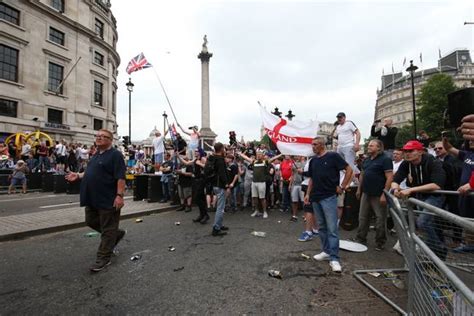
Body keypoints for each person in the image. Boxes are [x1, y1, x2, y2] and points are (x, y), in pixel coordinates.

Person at [65, 129, 126, 272]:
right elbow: (91, 172)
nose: (99, 138)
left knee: (107, 228)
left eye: (103, 137)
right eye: (97, 136)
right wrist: (78, 176)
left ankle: (103, 258)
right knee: (91, 221)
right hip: (92, 198)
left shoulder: (115, 155)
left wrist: (119, 196)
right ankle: (115, 234)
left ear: (110, 140)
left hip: (108, 199)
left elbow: (120, 177)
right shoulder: (96, 154)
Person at [304, 137, 353, 273]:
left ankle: (334, 258)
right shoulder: (313, 160)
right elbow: (312, 179)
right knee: (322, 227)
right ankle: (326, 251)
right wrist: (308, 194)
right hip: (315, 197)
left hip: (329, 197)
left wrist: (342, 186)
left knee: (332, 229)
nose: (312, 147)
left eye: (314, 144)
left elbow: (349, 170)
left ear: (321, 145)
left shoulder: (333, 156)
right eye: (312, 144)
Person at [391, 140, 447, 259]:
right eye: (405, 151)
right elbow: (396, 179)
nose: (407, 153)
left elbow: (437, 185)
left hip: (434, 196)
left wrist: (411, 190)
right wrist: (395, 189)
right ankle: (434, 253)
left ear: (420, 151)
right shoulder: (406, 164)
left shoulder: (432, 161)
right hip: (419, 196)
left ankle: (438, 248)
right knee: (428, 223)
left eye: (411, 151)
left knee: (423, 222)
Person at [354, 140, 393, 250]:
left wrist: (384, 194)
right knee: (362, 218)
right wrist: (358, 189)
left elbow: (390, 177)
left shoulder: (386, 159)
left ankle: (380, 242)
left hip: (378, 194)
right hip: (366, 193)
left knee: (380, 219)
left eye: (371, 145)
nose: (369, 147)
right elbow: (362, 175)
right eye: (369, 145)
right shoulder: (366, 160)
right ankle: (360, 239)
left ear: (379, 148)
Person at [443, 138, 474, 252]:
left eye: (473, 140)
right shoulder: (468, 154)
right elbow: (450, 148)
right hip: (466, 196)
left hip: (471, 192)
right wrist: (445, 139)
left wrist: (471, 184)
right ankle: (470, 244)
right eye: (470, 140)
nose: (470, 141)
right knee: (468, 220)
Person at [239, 150, 281, 218]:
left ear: (263, 156)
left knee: (262, 198)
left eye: (260, 154)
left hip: (262, 183)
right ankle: (256, 210)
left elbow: (273, 158)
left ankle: (264, 211)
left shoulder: (265, 162)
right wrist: (240, 154)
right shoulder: (254, 161)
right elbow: (246, 157)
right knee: (254, 198)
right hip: (254, 182)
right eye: (257, 154)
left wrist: (281, 154)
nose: (258, 155)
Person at [206, 142, 229, 236]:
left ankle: (219, 224)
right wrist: (227, 184)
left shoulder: (213, 158)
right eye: (223, 148)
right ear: (221, 149)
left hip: (214, 184)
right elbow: (222, 173)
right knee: (220, 208)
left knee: (220, 206)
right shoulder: (220, 160)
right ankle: (216, 228)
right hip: (220, 185)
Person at [289, 156, 305, 222]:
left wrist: (301, 171)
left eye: (298, 155)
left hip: (302, 184)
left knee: (303, 201)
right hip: (294, 184)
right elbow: (292, 174)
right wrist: (290, 184)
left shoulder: (304, 164)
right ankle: (294, 215)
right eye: (296, 156)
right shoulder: (293, 164)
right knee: (294, 200)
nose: (297, 157)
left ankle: (306, 215)